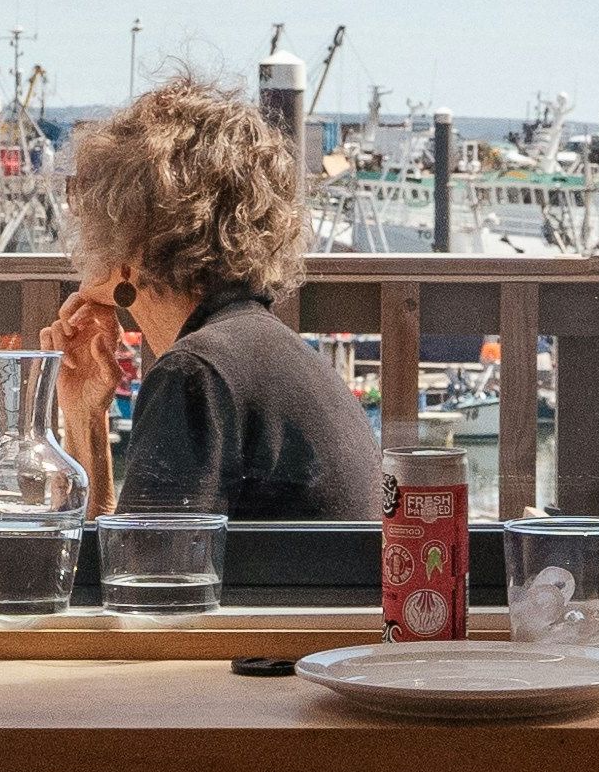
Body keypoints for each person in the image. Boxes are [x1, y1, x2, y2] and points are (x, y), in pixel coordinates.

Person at [46, 68, 384, 520]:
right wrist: (86, 419)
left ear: (128, 251)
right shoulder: (264, 352)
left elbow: (142, 584)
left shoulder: (195, 375)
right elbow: (134, 563)